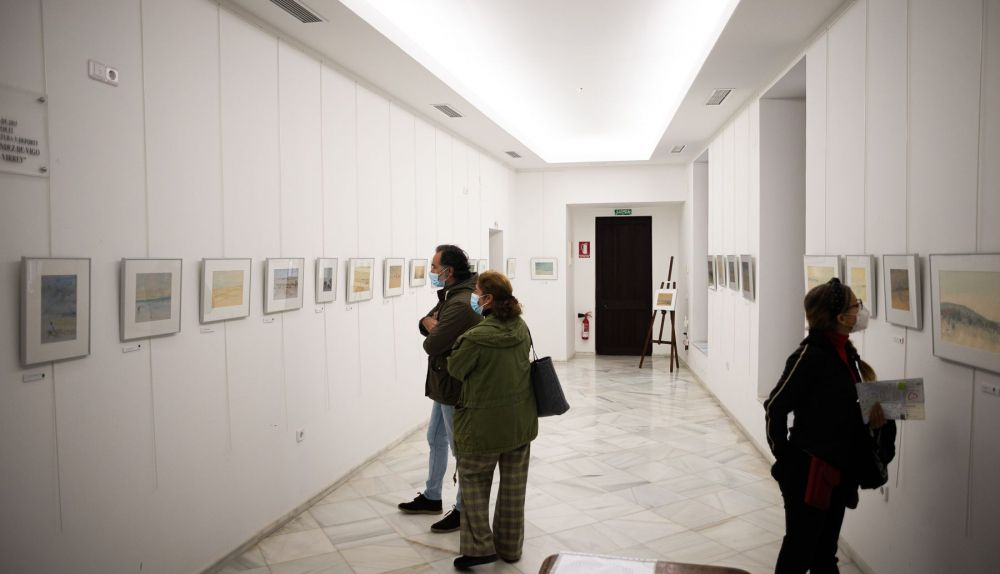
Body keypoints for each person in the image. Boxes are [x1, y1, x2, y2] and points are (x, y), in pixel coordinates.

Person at [764, 278, 896, 574]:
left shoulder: (845, 353)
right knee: (799, 551)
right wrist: (786, 459)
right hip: (809, 473)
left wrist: (875, 418)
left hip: (838, 471)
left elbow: (841, 407)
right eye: (856, 305)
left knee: (824, 554)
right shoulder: (810, 356)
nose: (861, 311)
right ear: (840, 317)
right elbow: (775, 406)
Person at [447, 270, 538, 570]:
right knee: (514, 489)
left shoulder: (475, 338)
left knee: (473, 484)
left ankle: (478, 549)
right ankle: (510, 548)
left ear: (487, 299)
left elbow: (456, 370)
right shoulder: (521, 328)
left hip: (480, 429)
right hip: (518, 425)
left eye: (475, 291)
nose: (473, 295)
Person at [398, 245, 482, 533]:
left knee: (460, 449)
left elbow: (431, 343)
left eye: (434, 267)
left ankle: (462, 508)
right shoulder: (454, 294)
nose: (431, 272)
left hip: (453, 383)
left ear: (448, 270)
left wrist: (433, 327)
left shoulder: (459, 302)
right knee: (436, 438)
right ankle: (432, 496)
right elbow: (425, 323)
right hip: (442, 382)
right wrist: (430, 324)